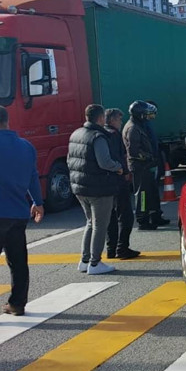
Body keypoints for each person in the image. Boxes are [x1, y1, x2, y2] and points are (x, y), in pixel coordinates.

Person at [0, 104, 44, 321]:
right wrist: (37, 203)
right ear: (7, 120)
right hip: (18, 214)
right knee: (18, 260)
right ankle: (17, 304)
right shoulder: (26, 146)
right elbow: (33, 176)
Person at [68, 104, 124, 275]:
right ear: (100, 118)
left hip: (80, 186)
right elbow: (104, 162)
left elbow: (70, 160)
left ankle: (85, 260)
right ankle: (95, 262)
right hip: (98, 187)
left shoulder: (76, 134)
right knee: (100, 225)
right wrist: (118, 167)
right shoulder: (98, 136)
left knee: (90, 223)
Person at [123, 100, 167, 230]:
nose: (149, 116)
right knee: (142, 194)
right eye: (147, 114)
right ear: (140, 114)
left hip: (148, 165)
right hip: (140, 166)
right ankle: (143, 220)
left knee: (152, 192)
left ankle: (155, 216)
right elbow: (133, 152)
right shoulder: (132, 128)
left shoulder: (141, 125)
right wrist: (148, 157)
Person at [104, 108, 140, 260]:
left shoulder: (102, 134)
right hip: (118, 180)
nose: (120, 123)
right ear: (112, 120)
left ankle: (111, 248)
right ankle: (122, 247)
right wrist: (125, 171)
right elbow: (120, 156)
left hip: (106, 182)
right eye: (119, 120)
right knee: (125, 216)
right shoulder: (113, 135)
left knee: (110, 216)